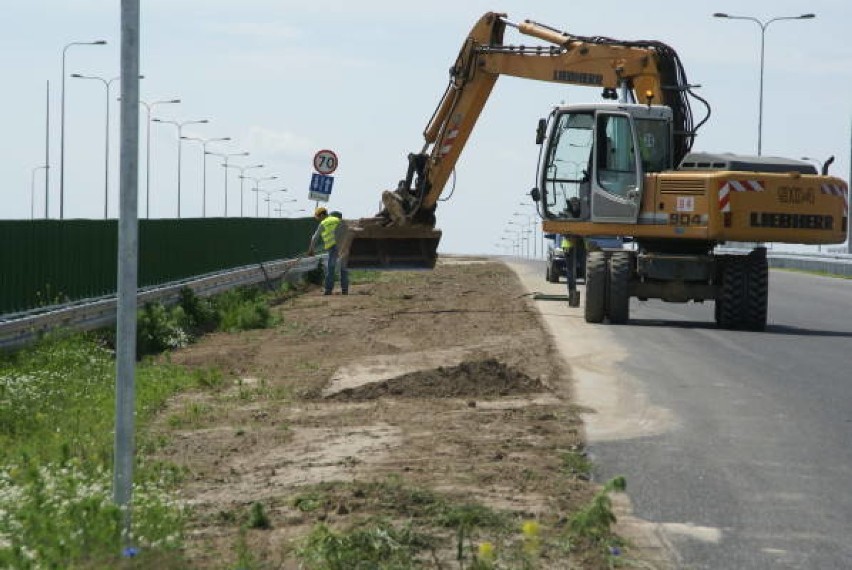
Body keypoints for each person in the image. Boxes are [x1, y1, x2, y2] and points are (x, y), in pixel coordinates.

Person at [307, 207, 349, 295]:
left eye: (318, 217)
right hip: (343, 245)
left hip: (333, 247)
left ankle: (328, 290)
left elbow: (314, 237)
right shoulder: (337, 219)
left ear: (322, 215)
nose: (318, 219)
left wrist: (311, 250)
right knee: (344, 268)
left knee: (331, 268)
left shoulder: (324, 223)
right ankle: (345, 290)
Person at [561, 235, 580, 307]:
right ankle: (572, 295)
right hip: (569, 245)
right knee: (571, 272)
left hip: (573, 245)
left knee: (571, 271)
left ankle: (572, 295)